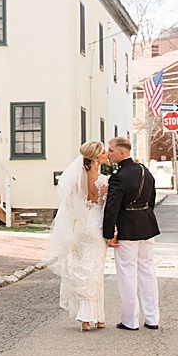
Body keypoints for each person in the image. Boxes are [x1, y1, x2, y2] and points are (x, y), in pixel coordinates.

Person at [41, 140, 109, 331]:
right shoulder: (103, 181)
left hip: (79, 227)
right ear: (96, 158)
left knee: (83, 268)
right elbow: (105, 208)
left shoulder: (76, 179)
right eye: (103, 152)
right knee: (95, 271)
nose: (106, 155)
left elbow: (69, 206)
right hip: (95, 227)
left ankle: (88, 318)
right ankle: (94, 316)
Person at [102, 137, 160, 330]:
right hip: (147, 225)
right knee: (148, 271)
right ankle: (152, 319)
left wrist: (109, 232)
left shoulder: (119, 176)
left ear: (122, 153)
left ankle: (130, 321)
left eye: (111, 150)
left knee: (127, 273)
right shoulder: (145, 170)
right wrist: (145, 215)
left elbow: (112, 207)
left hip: (127, 227)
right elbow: (152, 197)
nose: (108, 154)